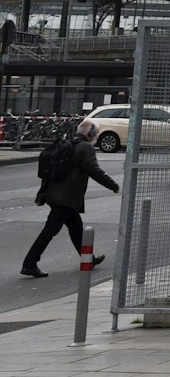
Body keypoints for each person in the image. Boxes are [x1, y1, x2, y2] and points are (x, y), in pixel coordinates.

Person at [20, 119, 119, 278]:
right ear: (91, 133)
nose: (97, 136)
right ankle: (29, 263)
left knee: (76, 227)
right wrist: (114, 186)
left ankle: (89, 259)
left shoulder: (69, 144)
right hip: (65, 198)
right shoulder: (85, 147)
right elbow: (94, 170)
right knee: (50, 230)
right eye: (96, 133)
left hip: (56, 195)